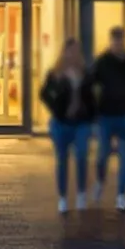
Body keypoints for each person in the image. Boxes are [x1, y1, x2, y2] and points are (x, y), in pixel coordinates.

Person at [39, 38, 97, 214]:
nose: (72, 54)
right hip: (61, 122)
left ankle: (80, 194)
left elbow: (91, 98)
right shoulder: (56, 73)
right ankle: (63, 198)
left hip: (81, 123)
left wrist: (92, 117)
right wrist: (56, 107)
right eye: (69, 51)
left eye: (75, 51)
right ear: (64, 52)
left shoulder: (85, 73)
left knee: (81, 157)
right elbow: (43, 93)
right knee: (62, 160)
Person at [87, 26, 125, 211]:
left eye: (121, 40)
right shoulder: (102, 61)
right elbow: (90, 84)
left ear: (124, 40)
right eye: (115, 41)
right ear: (111, 41)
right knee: (102, 156)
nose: (118, 44)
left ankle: (121, 196)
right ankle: (100, 181)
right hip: (105, 117)